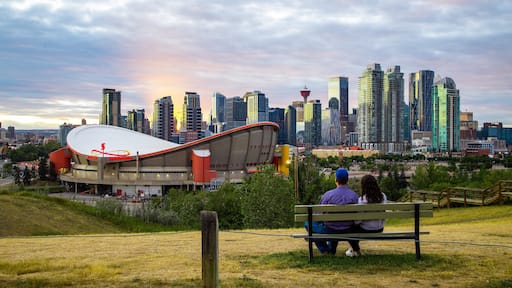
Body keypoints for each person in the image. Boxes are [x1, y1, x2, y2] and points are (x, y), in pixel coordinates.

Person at [304, 168, 359, 255]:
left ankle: (326, 250)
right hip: (348, 229)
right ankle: (331, 249)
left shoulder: (328, 195)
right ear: (347, 180)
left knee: (308, 223)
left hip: (330, 229)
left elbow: (318, 215)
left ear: (336, 180)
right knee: (331, 223)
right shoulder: (354, 196)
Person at [345, 174, 387, 257]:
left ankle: (357, 251)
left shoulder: (362, 200)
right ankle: (353, 250)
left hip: (366, 229)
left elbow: (358, 221)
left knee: (349, 229)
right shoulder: (383, 196)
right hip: (379, 228)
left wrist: (355, 222)